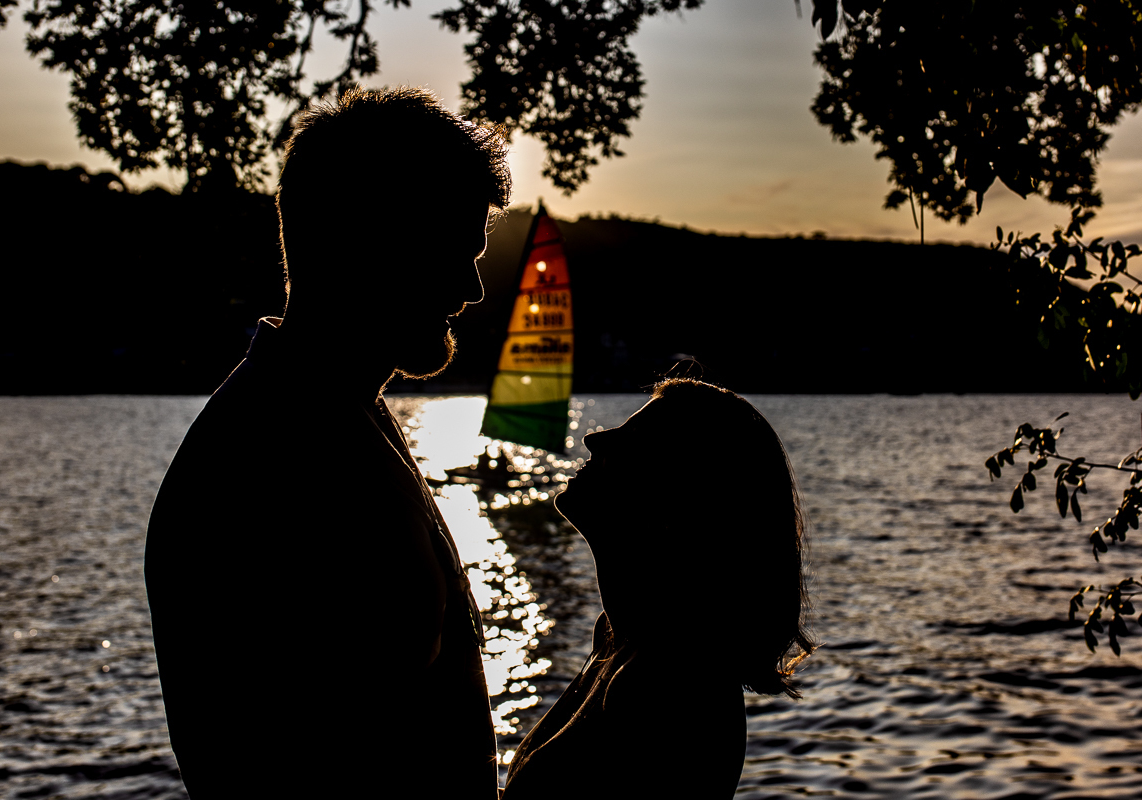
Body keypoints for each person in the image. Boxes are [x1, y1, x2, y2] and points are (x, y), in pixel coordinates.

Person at [144, 87, 511, 799]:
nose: (471, 289)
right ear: (369, 241)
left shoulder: (338, 417)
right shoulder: (283, 461)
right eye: (452, 253)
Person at [502, 378, 814, 799]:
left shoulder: (669, 682)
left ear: (677, 499)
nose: (595, 437)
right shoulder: (617, 639)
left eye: (631, 439)